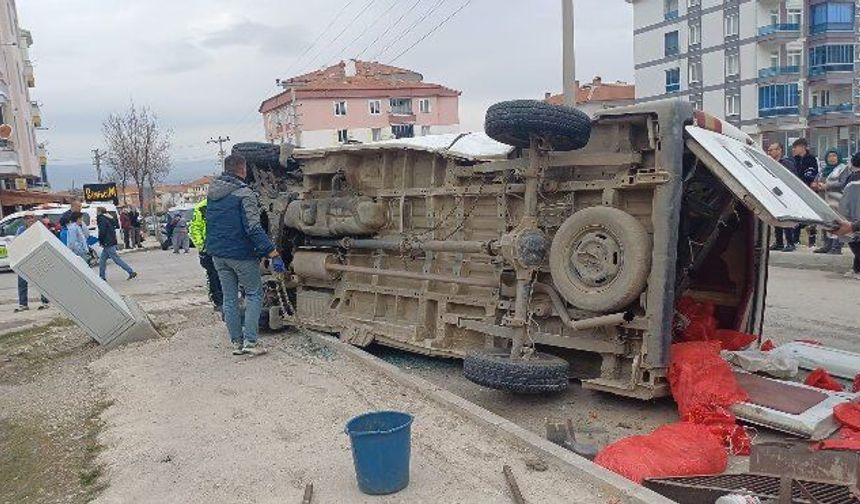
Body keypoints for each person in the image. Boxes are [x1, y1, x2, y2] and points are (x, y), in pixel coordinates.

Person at [206, 154, 284, 356]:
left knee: (229, 298)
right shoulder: (244, 193)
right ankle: (250, 342)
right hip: (240, 254)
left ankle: (236, 343)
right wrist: (272, 252)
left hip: (218, 254)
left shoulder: (213, 192)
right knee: (253, 294)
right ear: (242, 170)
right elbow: (253, 228)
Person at [189, 198, 223, 311]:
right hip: (209, 248)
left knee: (223, 274)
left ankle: (224, 299)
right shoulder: (202, 207)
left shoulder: (224, 203)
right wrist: (202, 246)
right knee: (213, 275)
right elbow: (195, 228)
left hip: (221, 246)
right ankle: (218, 301)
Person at [812, 149, 847, 254]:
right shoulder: (824, 169)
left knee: (837, 223)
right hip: (824, 200)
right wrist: (815, 185)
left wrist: (827, 186)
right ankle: (827, 245)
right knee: (826, 222)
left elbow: (843, 183)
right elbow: (817, 179)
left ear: (838, 157)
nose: (832, 158)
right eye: (829, 156)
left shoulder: (843, 168)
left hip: (838, 200)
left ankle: (836, 247)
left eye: (834, 156)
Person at [14, 212, 49, 312]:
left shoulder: (39, 228)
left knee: (41, 280)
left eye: (31, 217)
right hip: (24, 258)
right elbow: (17, 242)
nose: (29, 219)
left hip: (36, 258)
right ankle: (23, 304)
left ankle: (45, 302)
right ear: (24, 220)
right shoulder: (21, 229)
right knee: (22, 282)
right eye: (27, 218)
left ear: (34, 219)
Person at [766, 142, 796, 251]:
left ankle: (790, 243)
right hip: (773, 193)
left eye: (771, 150)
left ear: (779, 151)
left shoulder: (787, 164)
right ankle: (779, 242)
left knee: (786, 218)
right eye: (768, 150)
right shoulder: (767, 163)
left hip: (785, 194)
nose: (769, 152)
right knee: (776, 218)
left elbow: (792, 179)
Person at [791, 138, 820, 250]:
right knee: (797, 215)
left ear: (802, 147)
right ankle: (795, 240)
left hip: (809, 190)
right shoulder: (794, 160)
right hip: (796, 191)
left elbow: (812, 174)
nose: (794, 150)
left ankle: (812, 242)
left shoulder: (811, 159)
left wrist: (804, 180)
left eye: (795, 147)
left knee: (811, 217)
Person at [96, 207, 138, 281]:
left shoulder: (101, 219)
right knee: (102, 260)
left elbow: (102, 231)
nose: (96, 213)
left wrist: (101, 241)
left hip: (107, 242)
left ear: (99, 212)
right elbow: (115, 226)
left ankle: (131, 271)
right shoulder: (109, 218)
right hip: (111, 240)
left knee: (116, 259)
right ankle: (101, 276)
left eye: (97, 211)